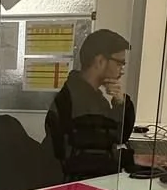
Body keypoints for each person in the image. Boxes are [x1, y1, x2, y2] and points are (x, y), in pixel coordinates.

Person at [45, 28, 136, 181]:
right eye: (120, 63)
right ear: (100, 61)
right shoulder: (82, 102)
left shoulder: (83, 91)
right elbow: (112, 141)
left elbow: (112, 136)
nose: (122, 70)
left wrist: (120, 102)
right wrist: (133, 158)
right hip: (76, 184)